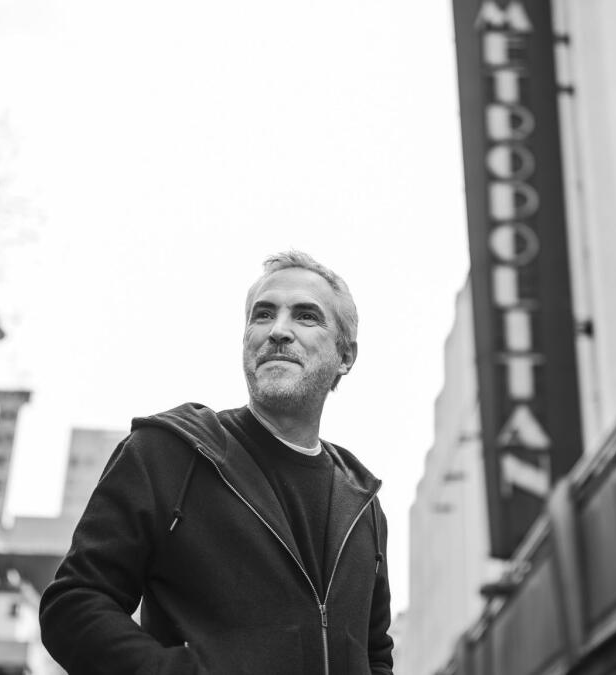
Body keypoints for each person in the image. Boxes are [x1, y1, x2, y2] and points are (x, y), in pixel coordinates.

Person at [39, 251, 393, 675]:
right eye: (263, 315)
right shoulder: (167, 453)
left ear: (346, 356)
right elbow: (74, 603)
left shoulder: (362, 505)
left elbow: (375, 655)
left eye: (305, 316)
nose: (278, 331)